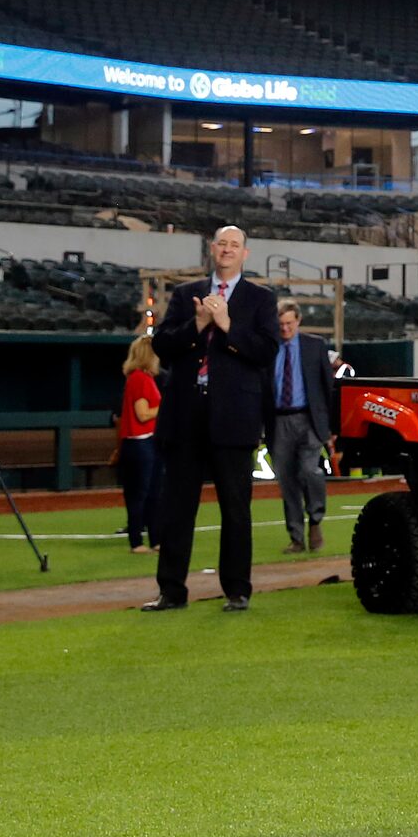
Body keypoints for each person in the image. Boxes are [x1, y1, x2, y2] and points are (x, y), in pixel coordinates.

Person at [145, 226, 278, 614]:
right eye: (222, 243)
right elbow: (163, 346)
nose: (227, 250)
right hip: (186, 413)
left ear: (245, 254)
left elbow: (265, 351)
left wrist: (227, 327)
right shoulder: (187, 295)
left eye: (235, 245)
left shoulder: (259, 299)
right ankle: (171, 591)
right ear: (212, 249)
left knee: (235, 509)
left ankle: (237, 590)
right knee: (177, 509)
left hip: (234, 417)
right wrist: (199, 325)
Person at [262, 299, 333, 554]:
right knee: (287, 481)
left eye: (289, 323)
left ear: (298, 321)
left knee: (309, 470)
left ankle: (315, 518)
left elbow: (327, 386)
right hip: (279, 420)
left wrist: (329, 427)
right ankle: (296, 537)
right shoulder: (269, 349)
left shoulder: (315, 346)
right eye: (280, 324)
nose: (285, 329)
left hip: (309, 419)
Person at [115, 333, 162, 554]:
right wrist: (166, 408)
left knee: (152, 494)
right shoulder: (141, 379)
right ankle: (137, 541)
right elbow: (142, 414)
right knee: (140, 495)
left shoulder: (139, 378)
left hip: (142, 444)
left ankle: (154, 539)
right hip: (141, 443)